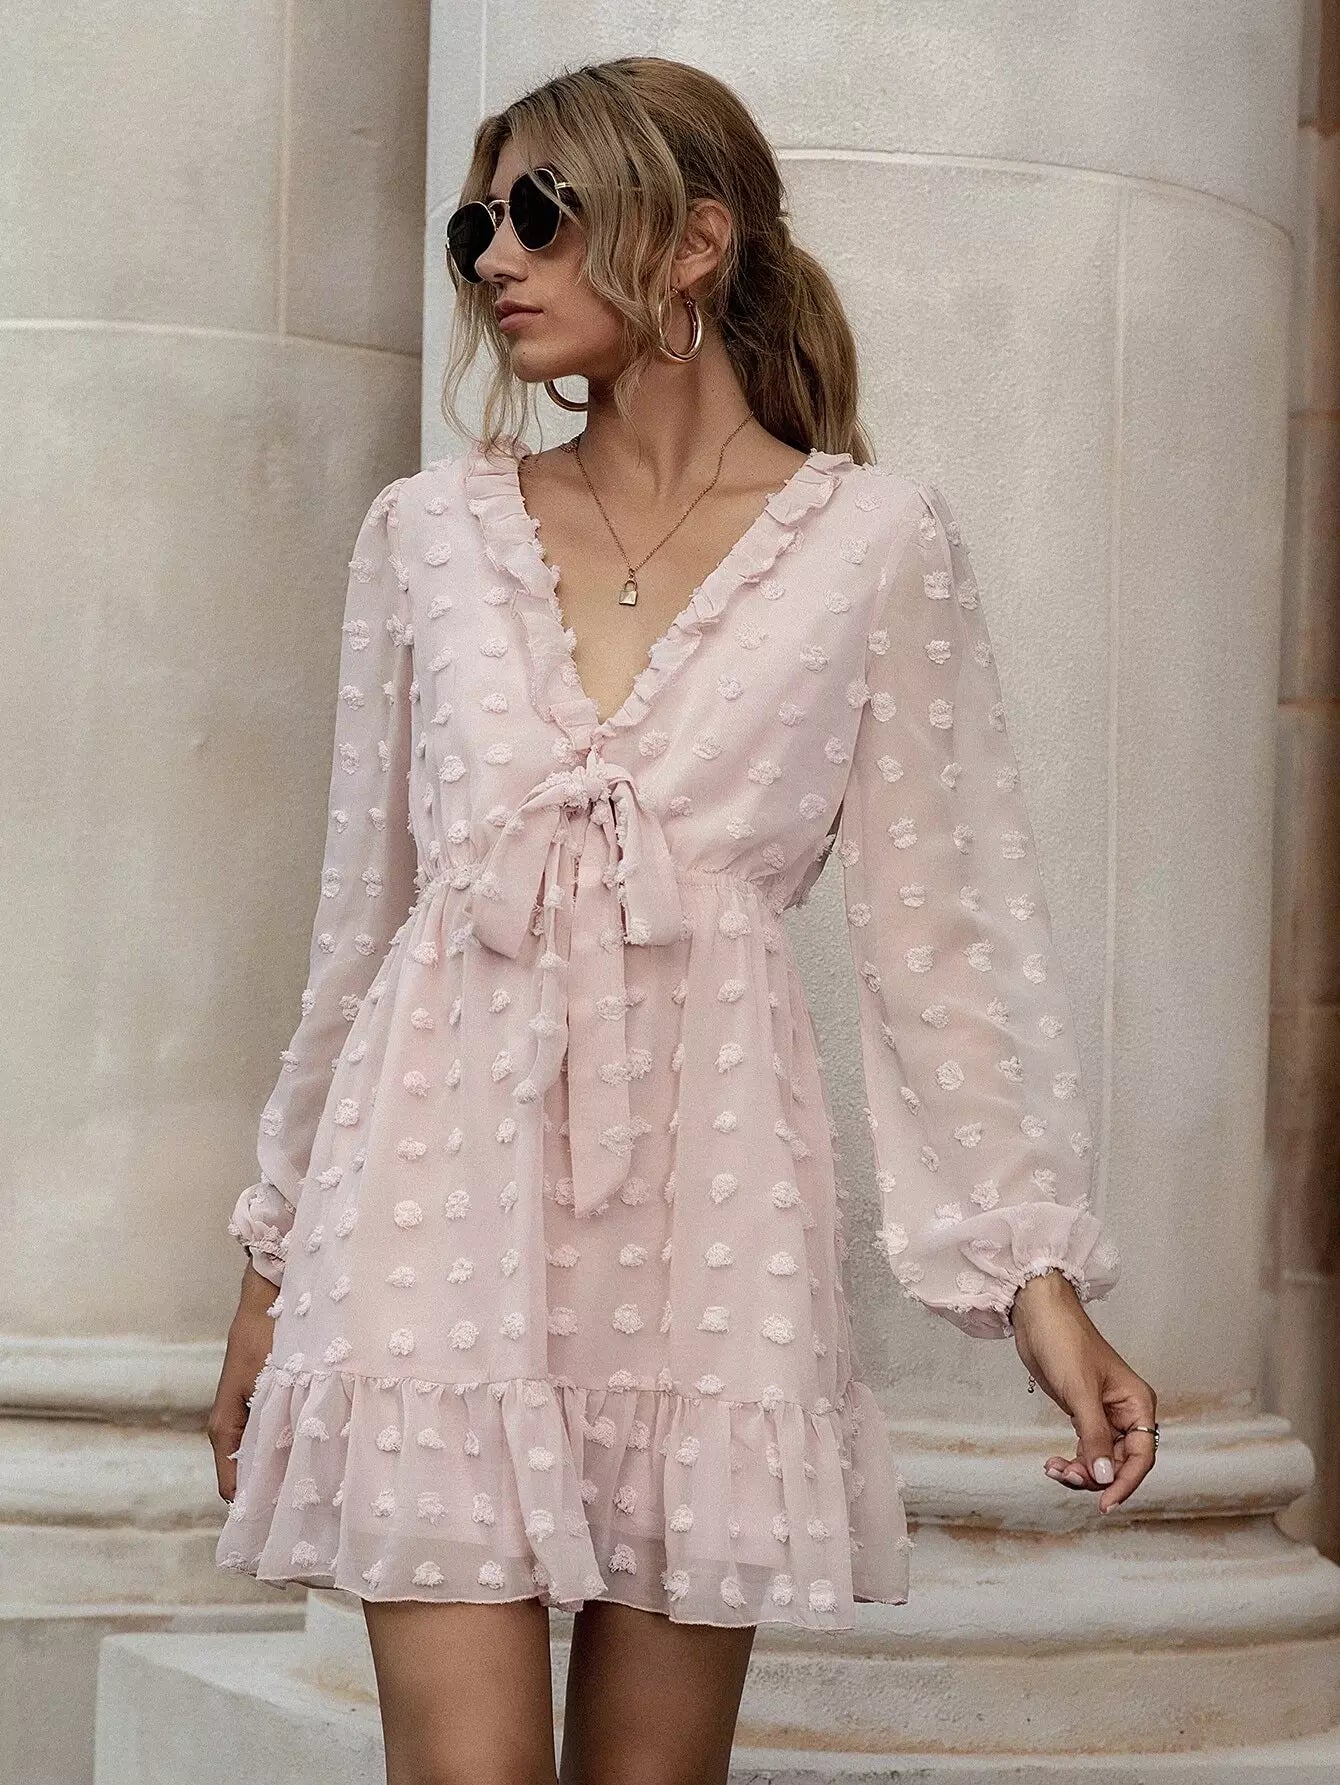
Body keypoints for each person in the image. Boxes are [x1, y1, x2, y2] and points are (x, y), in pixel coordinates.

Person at [207, 54, 1157, 1785]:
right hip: (429, 1212)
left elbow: (945, 941)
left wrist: (1037, 1282)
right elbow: (363, 923)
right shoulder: (427, 534)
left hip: (710, 1221)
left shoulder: (876, 543)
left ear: (696, 239)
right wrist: (273, 1264)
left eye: (539, 213)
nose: (497, 257)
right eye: (476, 226)